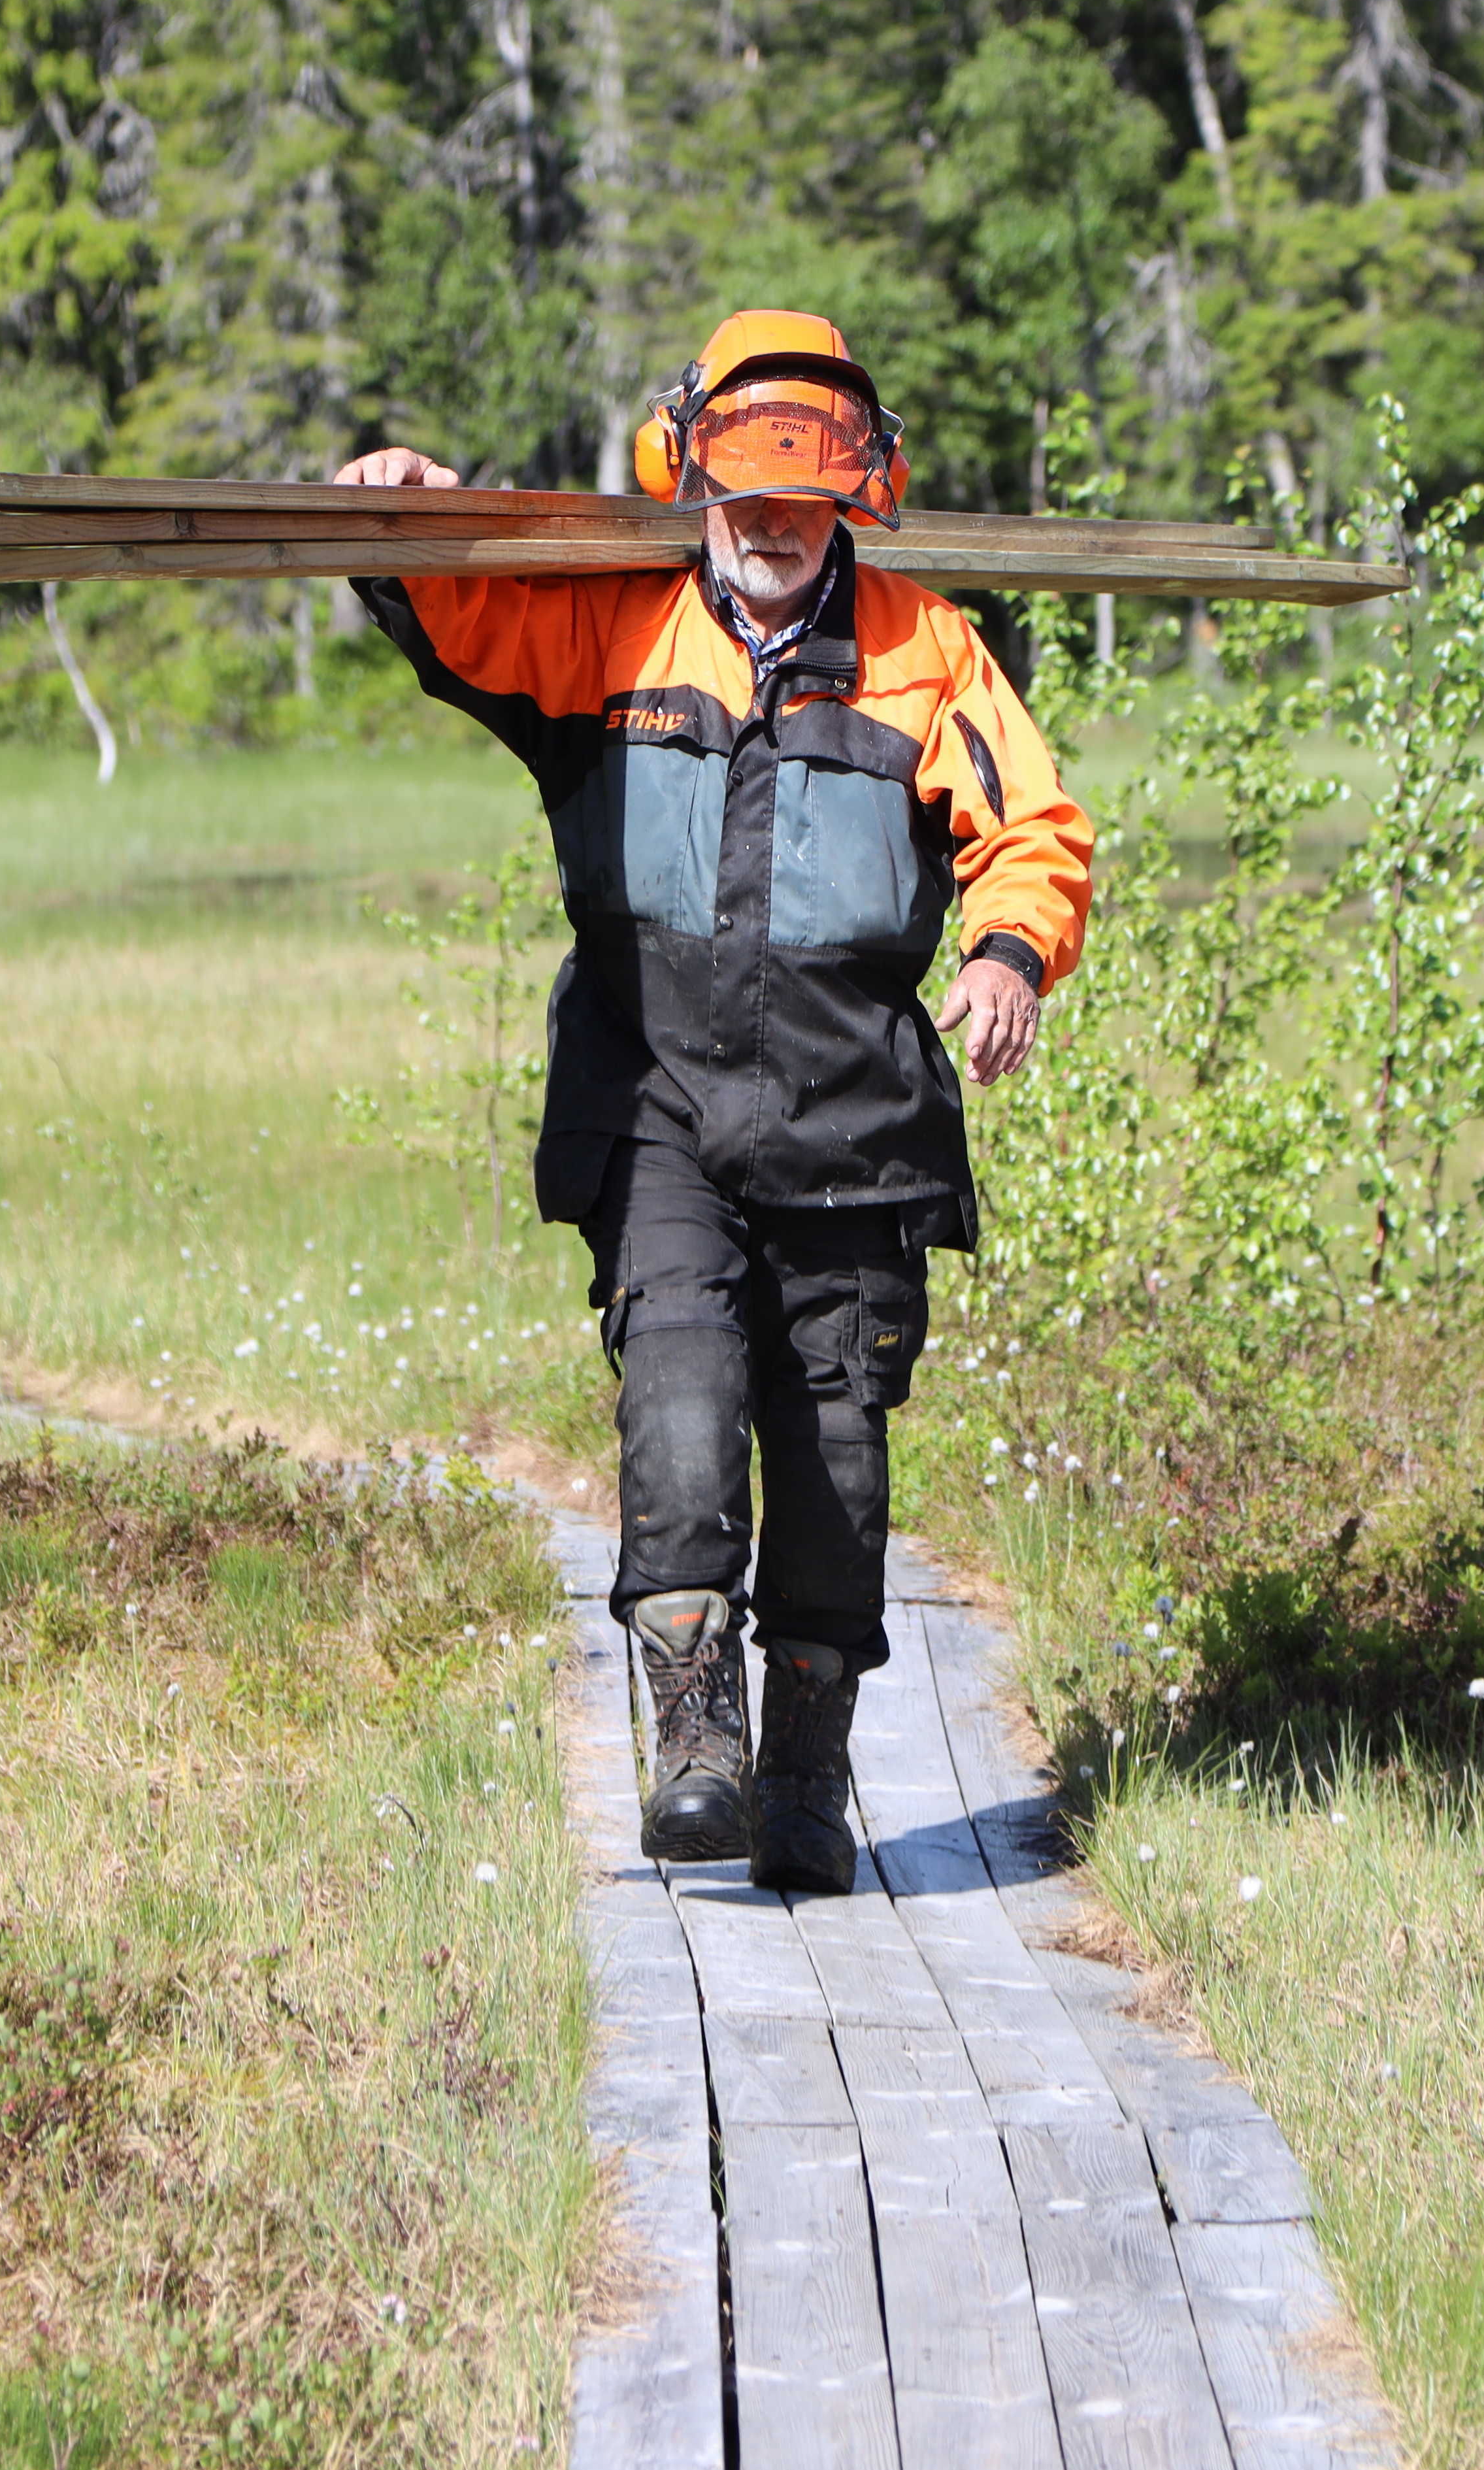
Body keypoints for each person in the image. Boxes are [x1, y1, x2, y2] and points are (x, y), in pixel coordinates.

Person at [336, 310, 1092, 1892]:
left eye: (805, 498)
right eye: (749, 493)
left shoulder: (929, 650)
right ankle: (696, 1744)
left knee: (835, 1460)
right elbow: (465, 618)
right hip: (657, 1095)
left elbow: (1032, 824)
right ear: (693, 479)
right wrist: (405, 520)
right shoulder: (612, 623)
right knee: (678, 1398)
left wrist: (1010, 950)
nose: (773, 523)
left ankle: (807, 1777)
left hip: (854, 1117)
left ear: (855, 495)